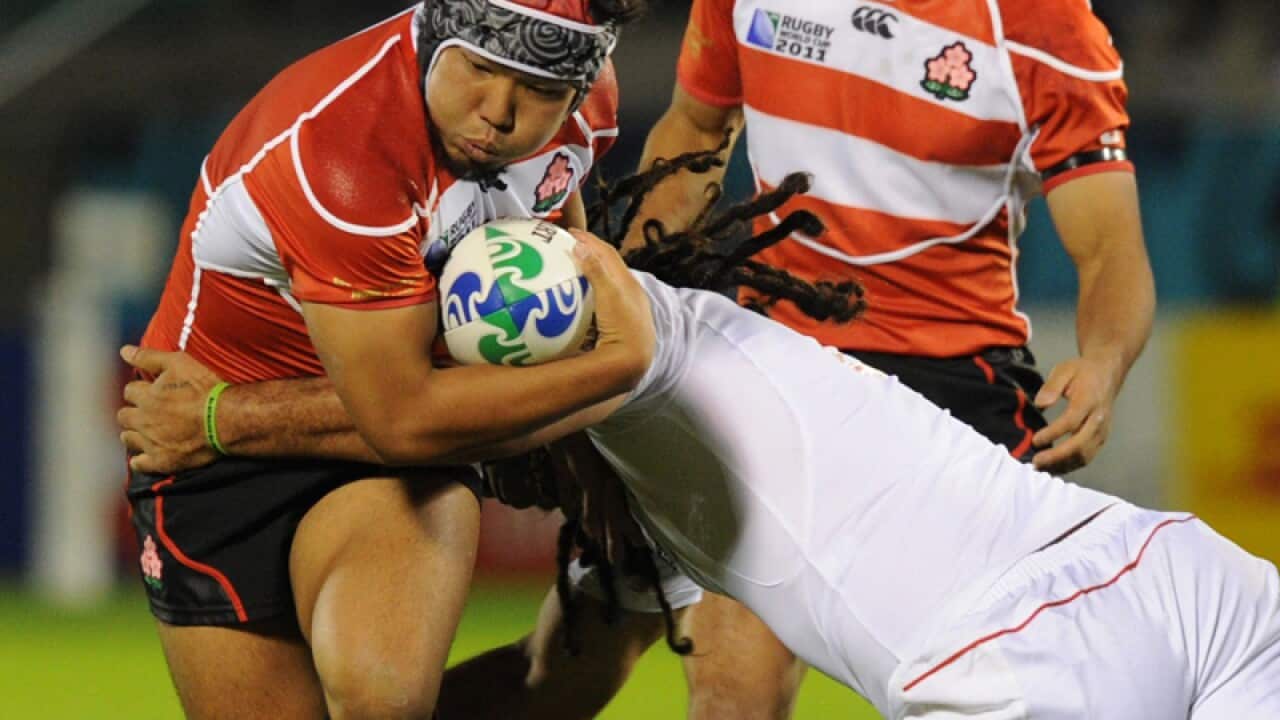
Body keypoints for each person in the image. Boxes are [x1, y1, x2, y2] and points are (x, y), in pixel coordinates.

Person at [118, 223, 1278, 719]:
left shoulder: (636, 343)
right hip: (1171, 570)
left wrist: (224, 423)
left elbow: (418, 417)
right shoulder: (657, 472)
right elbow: (552, 684)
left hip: (1012, 659)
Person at [599, 0, 1162, 714]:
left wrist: (1104, 364)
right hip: (778, 364)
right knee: (730, 691)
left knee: (981, 693)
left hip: (953, 387)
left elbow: (1111, 250)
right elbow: (697, 128)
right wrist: (635, 282)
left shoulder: (1043, 25)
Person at [122, 1, 655, 717]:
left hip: (370, 454)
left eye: (539, 90)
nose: (499, 112)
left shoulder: (585, 109)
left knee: (382, 699)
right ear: (436, 38)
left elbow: (551, 245)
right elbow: (402, 416)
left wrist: (582, 435)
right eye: (481, 68)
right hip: (212, 464)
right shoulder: (343, 148)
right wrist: (620, 370)